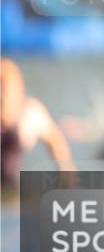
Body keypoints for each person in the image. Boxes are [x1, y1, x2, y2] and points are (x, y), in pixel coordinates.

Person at [0, 58, 75, 191]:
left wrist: (68, 179)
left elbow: (55, 141)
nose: (3, 97)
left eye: (5, 91)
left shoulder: (29, 114)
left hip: (10, 197)